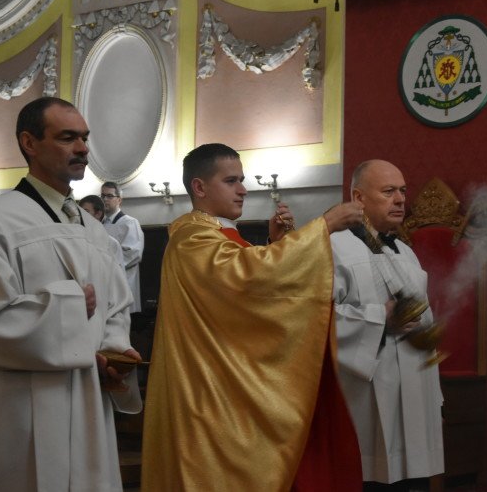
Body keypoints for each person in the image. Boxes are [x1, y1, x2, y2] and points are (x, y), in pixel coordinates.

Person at [142, 143, 365, 491]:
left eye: (242, 180)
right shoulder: (191, 239)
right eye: (231, 181)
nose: (243, 189)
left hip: (224, 387)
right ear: (199, 187)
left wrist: (277, 246)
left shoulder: (217, 235)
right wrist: (324, 225)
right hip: (208, 395)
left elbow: (247, 296)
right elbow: (248, 275)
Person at [0, 97, 142, 492]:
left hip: (89, 399)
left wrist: (113, 351)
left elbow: (116, 308)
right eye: (68, 137)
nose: (83, 148)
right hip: (22, 406)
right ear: (29, 143)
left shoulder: (96, 231)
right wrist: (69, 307)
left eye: (85, 138)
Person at [330, 160, 444, 490]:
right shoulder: (334, 247)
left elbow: (421, 311)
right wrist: (381, 319)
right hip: (368, 391)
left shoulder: (405, 252)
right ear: (358, 197)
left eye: (403, 191)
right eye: (388, 191)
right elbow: (317, 318)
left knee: (414, 479)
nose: (400, 199)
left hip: (414, 385)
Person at [101, 181, 144, 314]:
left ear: (119, 200)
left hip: (123, 281)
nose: (105, 199)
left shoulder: (129, 222)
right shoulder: (100, 223)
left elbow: (133, 254)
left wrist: (106, 266)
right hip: (105, 280)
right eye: (102, 196)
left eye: (109, 196)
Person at [80, 194, 125, 268]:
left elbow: (118, 271)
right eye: (80, 212)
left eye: (86, 212)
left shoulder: (111, 243)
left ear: (98, 214)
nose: (81, 216)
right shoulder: (78, 239)